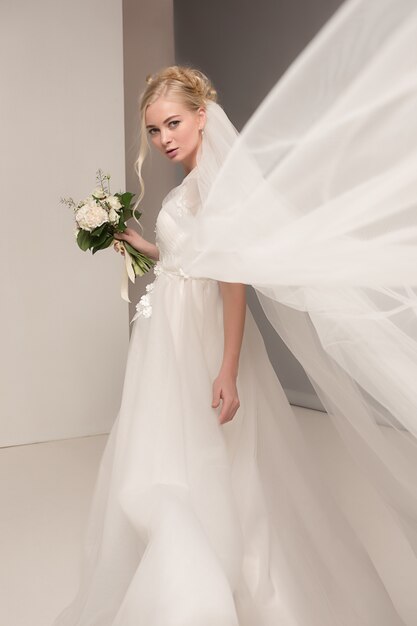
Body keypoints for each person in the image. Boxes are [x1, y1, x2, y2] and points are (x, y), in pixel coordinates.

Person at [53, 1, 417, 623]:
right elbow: (186, 257)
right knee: (168, 456)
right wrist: (141, 241)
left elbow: (232, 281)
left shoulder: (217, 189)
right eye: (153, 130)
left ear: (202, 116)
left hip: (198, 342)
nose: (164, 139)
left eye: (172, 123)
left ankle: (201, 585)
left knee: (201, 462)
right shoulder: (192, 185)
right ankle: (186, 565)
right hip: (167, 338)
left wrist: (226, 369)